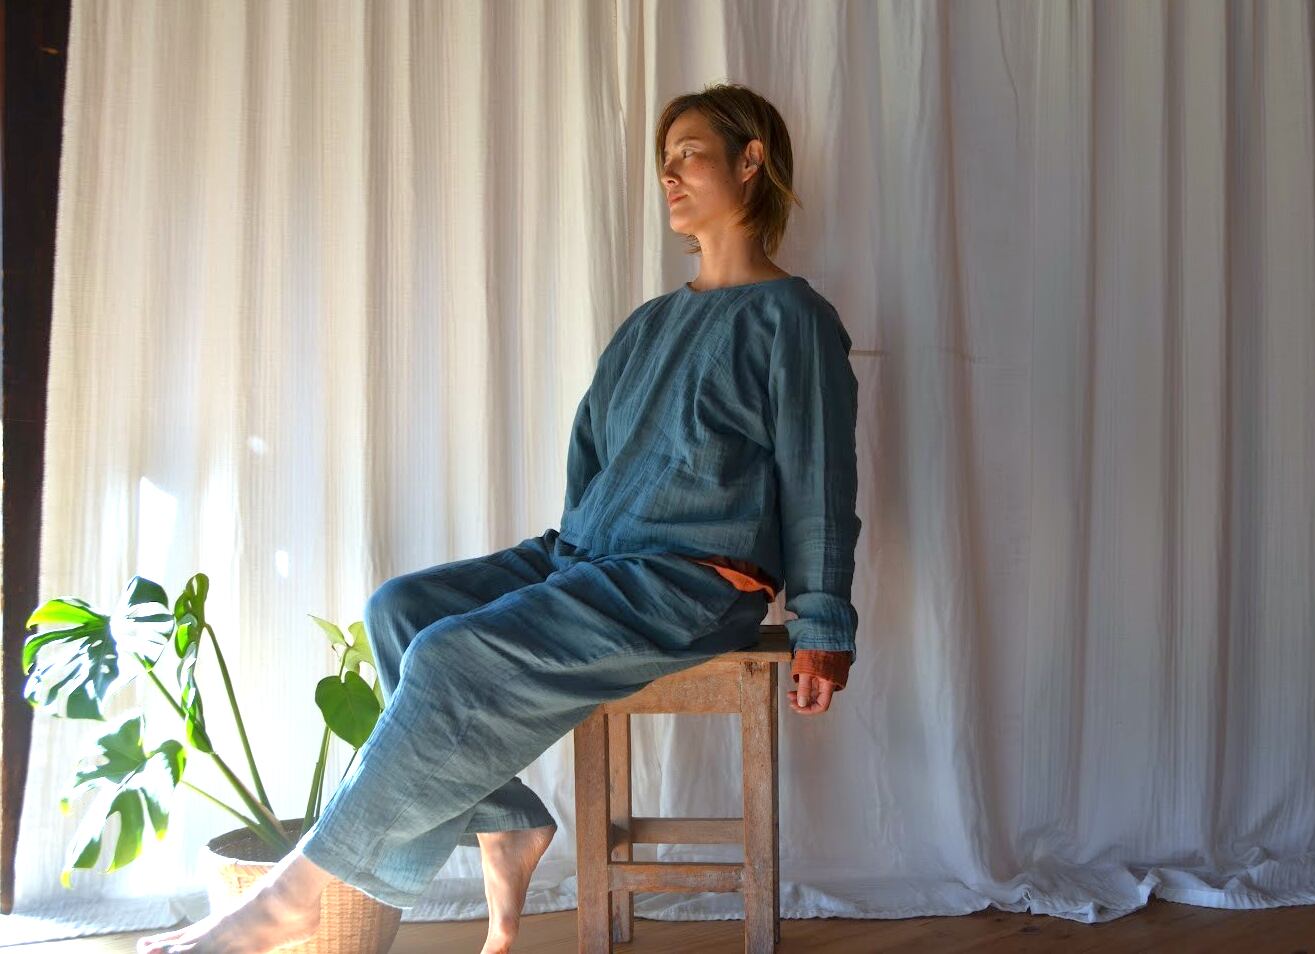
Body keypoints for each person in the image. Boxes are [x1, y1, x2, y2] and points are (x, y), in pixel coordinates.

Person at [136, 81, 861, 954]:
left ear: (751, 160)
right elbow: (590, 457)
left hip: (694, 580)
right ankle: (510, 819)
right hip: (589, 558)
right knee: (402, 610)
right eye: (663, 160)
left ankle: (296, 891)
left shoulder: (794, 320)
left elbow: (821, 479)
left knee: (450, 654)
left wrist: (823, 625)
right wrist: (568, 570)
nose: (668, 175)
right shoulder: (648, 324)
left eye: (690, 154)